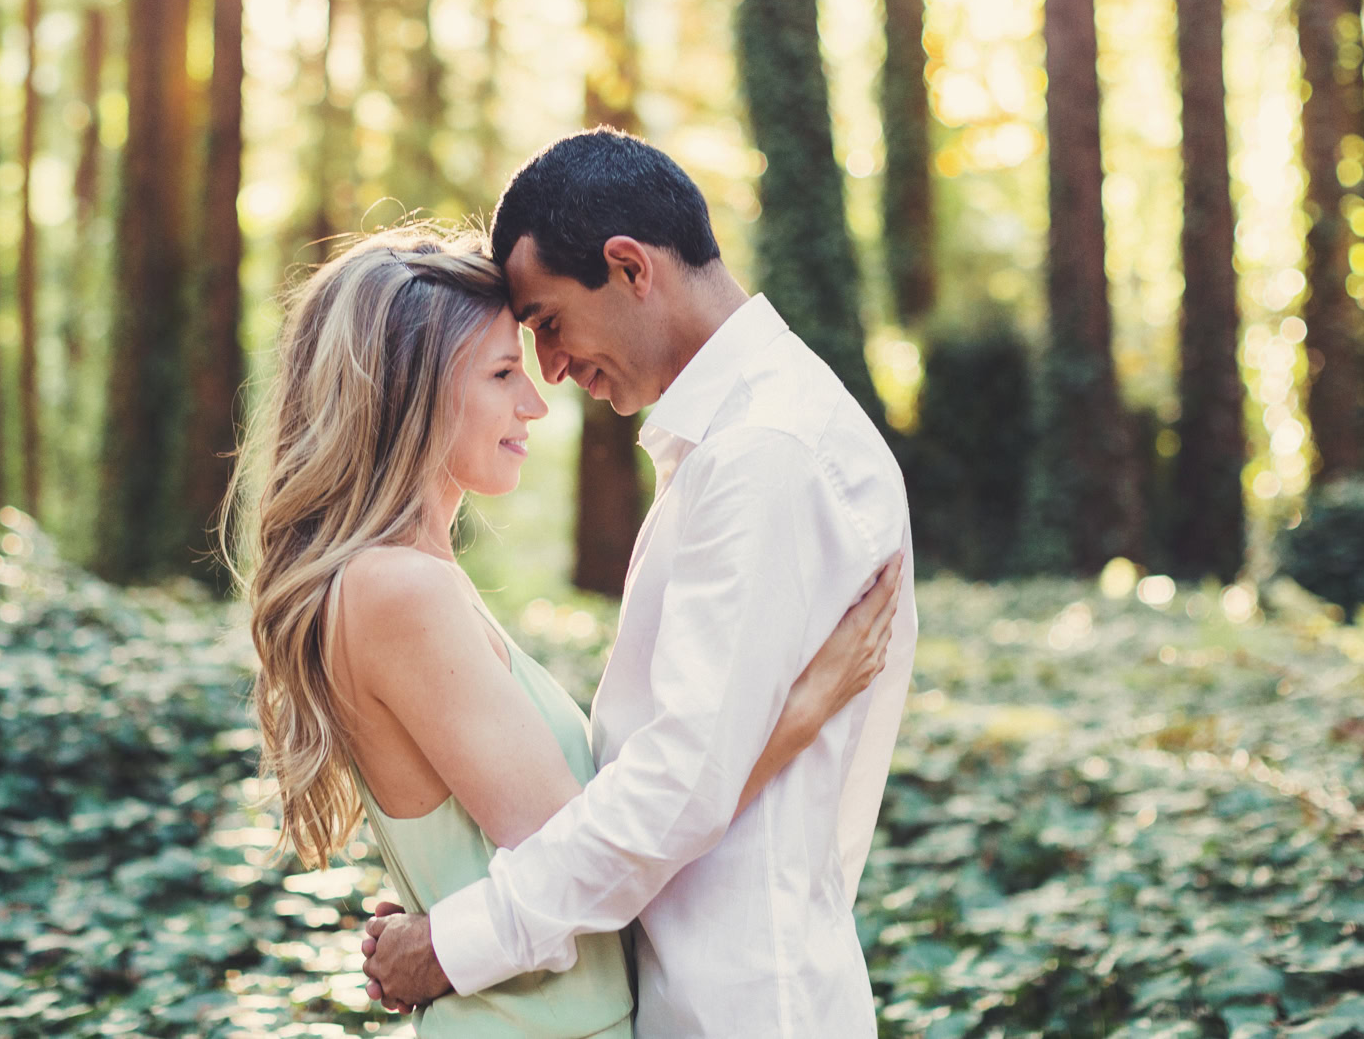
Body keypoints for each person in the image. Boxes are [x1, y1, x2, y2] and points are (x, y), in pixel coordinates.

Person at [233, 223, 904, 1038]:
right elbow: (598, 853)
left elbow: (579, 847)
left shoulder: (411, 580)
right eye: (504, 370)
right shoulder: (397, 589)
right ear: (412, 392)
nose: (537, 398)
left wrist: (444, 930)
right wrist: (797, 711)